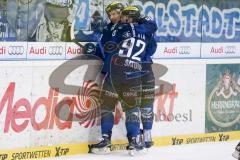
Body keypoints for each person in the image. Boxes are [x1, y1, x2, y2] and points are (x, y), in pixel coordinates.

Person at [90, 5, 157, 154]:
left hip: (115, 74)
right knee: (132, 109)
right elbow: (152, 49)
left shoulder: (117, 29)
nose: (117, 17)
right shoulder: (146, 31)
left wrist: (95, 48)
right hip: (134, 75)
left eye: (120, 14)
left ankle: (106, 140)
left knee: (107, 106)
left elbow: (105, 47)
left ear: (126, 16)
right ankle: (134, 141)